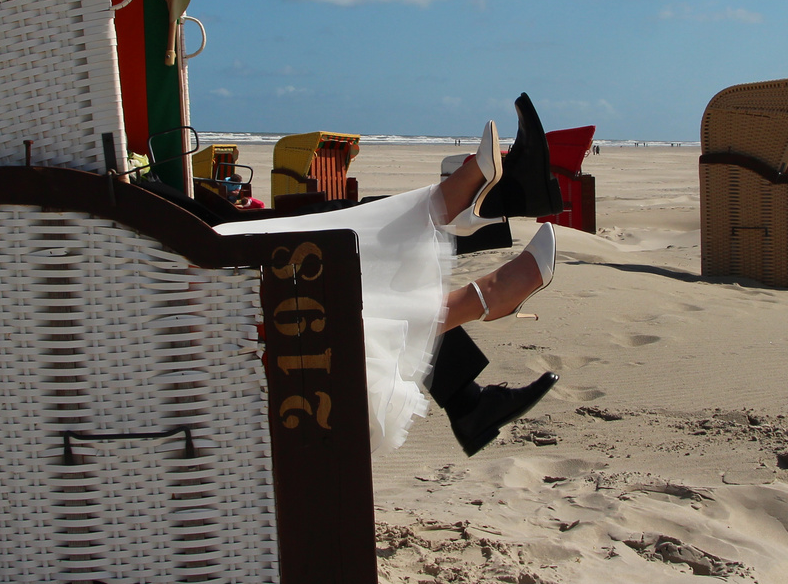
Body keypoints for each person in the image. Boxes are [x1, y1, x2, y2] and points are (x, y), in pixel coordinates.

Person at [214, 94, 566, 457]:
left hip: (191, 268)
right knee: (287, 241)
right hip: (199, 282)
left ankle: (483, 228)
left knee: (308, 227)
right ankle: (485, 222)